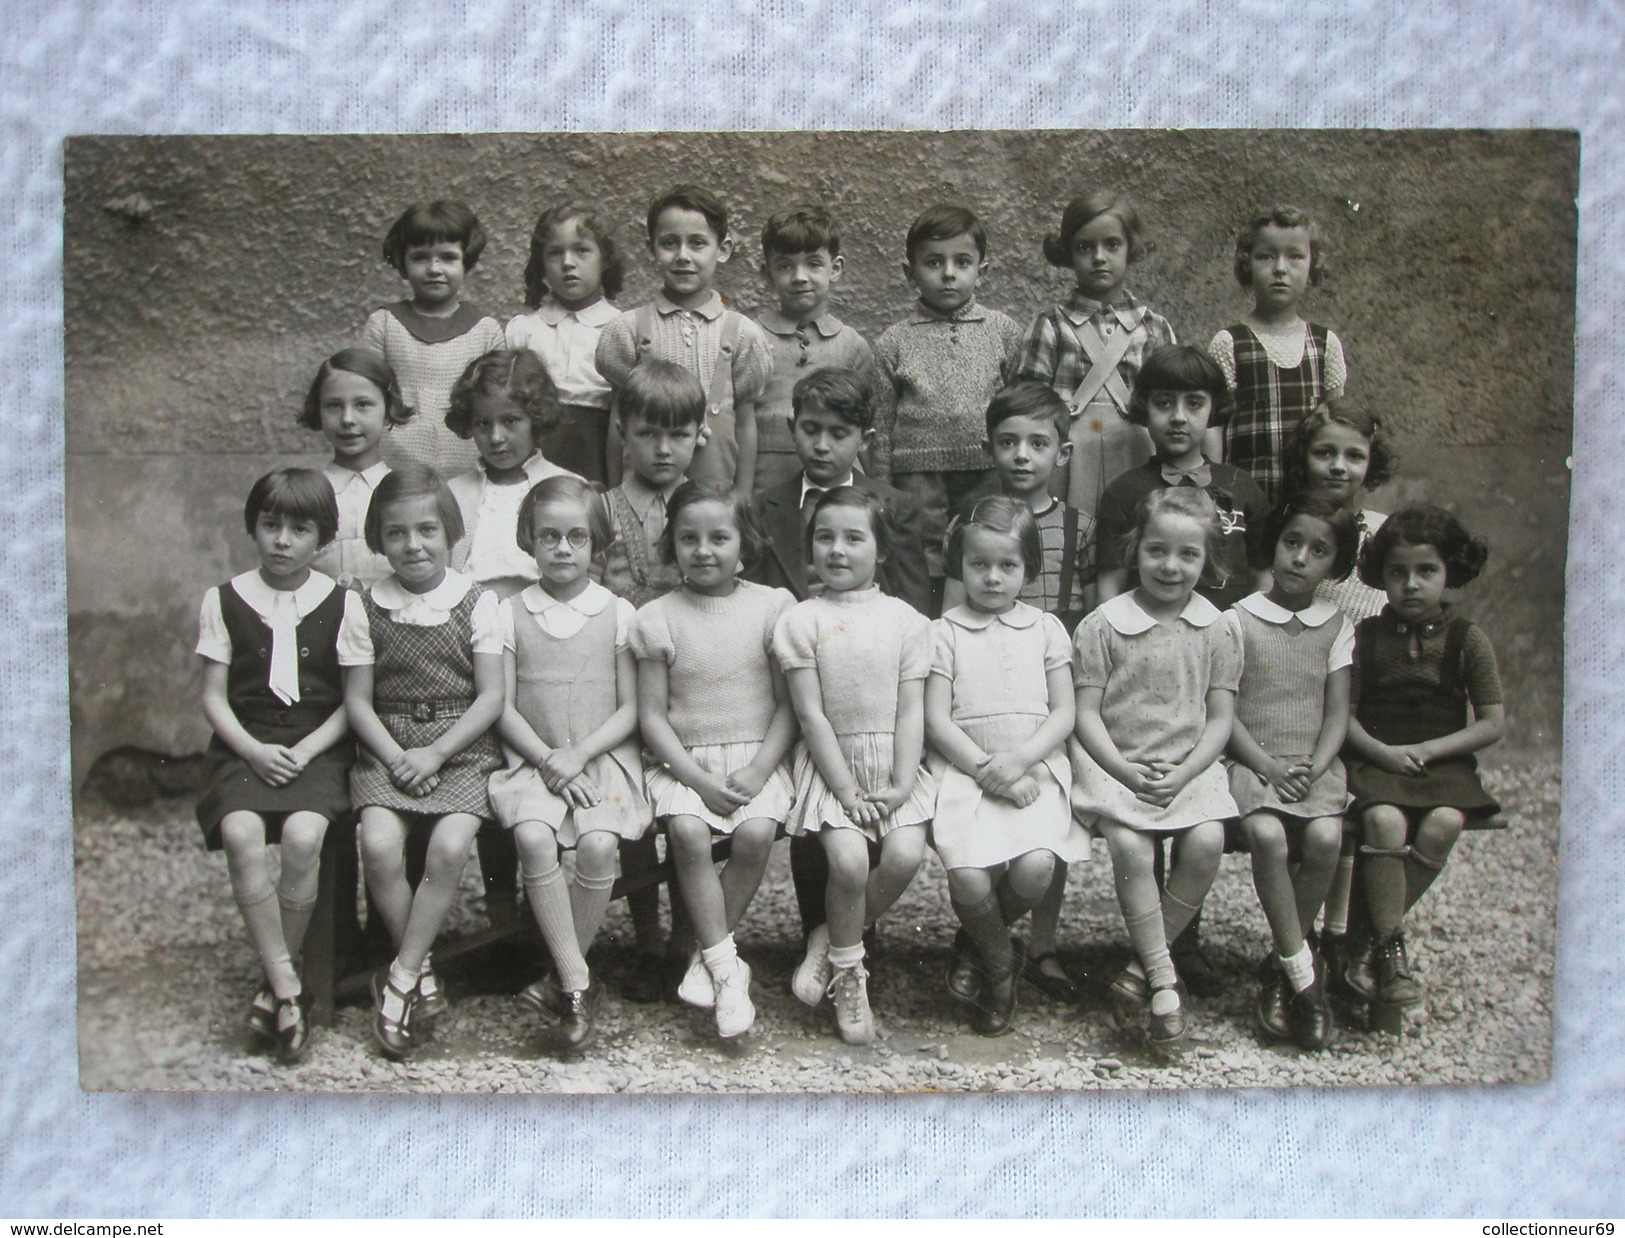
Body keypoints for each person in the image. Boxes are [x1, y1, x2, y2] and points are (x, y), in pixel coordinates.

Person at [338, 465, 505, 1058]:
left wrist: (437, 752)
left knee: (448, 847)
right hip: (390, 745)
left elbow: (491, 697)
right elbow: (357, 702)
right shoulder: (364, 605)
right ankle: (424, 967)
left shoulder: (477, 601)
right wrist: (398, 755)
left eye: (427, 530)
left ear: (451, 533)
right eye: (397, 533)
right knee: (380, 849)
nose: (413, 545)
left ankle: (401, 978)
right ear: (378, 540)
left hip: (461, 750)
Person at [940, 381, 1096, 1005]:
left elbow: (1085, 618)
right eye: (1008, 443)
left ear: (1062, 451)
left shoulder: (1077, 526)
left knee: (1041, 846)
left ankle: (1039, 946)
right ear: (991, 448)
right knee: (986, 845)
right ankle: (996, 949)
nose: (1023, 456)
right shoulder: (969, 524)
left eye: (1038, 443)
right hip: (977, 690)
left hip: (1043, 684)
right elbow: (951, 614)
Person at [1069, 487, 1242, 1044]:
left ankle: (1142, 966)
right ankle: (1163, 979)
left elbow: (1219, 720)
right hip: (1117, 764)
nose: (1171, 566)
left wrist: (1188, 771)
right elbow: (1086, 714)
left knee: (1208, 840)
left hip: (1188, 767)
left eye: (1188, 555)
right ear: (1135, 550)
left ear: (1208, 561)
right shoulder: (1103, 624)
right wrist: (1121, 771)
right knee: (1129, 845)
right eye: (1157, 551)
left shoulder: (1218, 628)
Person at [194, 468, 352, 1062]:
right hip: (248, 743)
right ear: (253, 528)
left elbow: (350, 702)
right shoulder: (225, 599)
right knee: (239, 832)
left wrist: (308, 751)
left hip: (317, 745)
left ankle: (275, 983)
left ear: (323, 539)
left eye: (299, 529)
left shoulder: (341, 603)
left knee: (306, 833)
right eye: (271, 526)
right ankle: (287, 984)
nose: (283, 540)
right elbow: (213, 697)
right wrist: (254, 751)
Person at [630, 483, 798, 1039]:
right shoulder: (657, 617)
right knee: (686, 831)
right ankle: (727, 970)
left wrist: (757, 770)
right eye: (688, 538)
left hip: (755, 755)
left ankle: (708, 959)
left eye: (718, 538)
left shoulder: (772, 607)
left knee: (754, 836)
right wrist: (697, 780)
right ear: (671, 544)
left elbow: (786, 706)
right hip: (686, 761)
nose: (704, 550)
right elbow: (652, 717)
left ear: (744, 541)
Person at [488, 477, 651, 1053]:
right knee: (534, 838)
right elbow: (500, 705)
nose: (562, 548)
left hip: (600, 759)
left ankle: (559, 979)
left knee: (598, 846)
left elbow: (632, 706)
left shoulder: (618, 613)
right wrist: (549, 760)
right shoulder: (508, 612)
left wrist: (579, 755)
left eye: (576, 537)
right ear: (529, 542)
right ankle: (578, 982)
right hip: (534, 759)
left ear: (597, 546)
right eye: (548, 536)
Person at [776, 488, 936, 1046]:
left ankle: (827, 937)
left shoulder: (909, 622)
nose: (837, 550)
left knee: (904, 855)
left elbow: (912, 707)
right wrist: (845, 790)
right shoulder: (801, 621)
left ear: (882, 551)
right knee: (846, 864)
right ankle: (850, 974)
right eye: (825, 537)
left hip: (894, 763)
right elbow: (810, 713)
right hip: (832, 765)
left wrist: (901, 782)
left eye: (853, 538)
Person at [926, 497, 1090, 1036]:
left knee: (1036, 868)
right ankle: (1000, 965)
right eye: (979, 565)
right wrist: (984, 769)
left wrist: (1020, 761)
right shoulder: (944, 632)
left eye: (1008, 566)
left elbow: (1065, 710)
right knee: (969, 877)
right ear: (960, 567)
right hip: (967, 771)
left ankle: (976, 942)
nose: (993, 578)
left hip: (1034, 767)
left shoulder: (1045, 630)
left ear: (1029, 569)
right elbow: (935, 718)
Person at [1342, 504, 1505, 1010]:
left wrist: (1431, 750)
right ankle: (1391, 952)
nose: (1411, 585)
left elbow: (1492, 722)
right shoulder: (1363, 637)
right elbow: (1342, 716)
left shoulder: (1467, 640)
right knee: (1384, 822)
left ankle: (1360, 940)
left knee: (1443, 823)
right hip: (1379, 756)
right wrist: (1384, 754)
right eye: (1398, 572)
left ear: (1450, 572)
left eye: (1426, 571)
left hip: (1442, 762)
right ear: (1380, 577)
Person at [1225, 494, 1359, 1050]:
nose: (1300, 558)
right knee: (1265, 832)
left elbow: (1337, 712)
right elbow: (1224, 711)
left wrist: (1317, 765)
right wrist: (1267, 766)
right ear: (1274, 546)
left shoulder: (1337, 625)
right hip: (1254, 760)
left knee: (1327, 836)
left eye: (1318, 551)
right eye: (1291, 543)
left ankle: (1282, 962)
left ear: (1336, 566)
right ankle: (1304, 980)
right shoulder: (1241, 618)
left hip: (1313, 764)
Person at [872, 203, 1025, 601]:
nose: (949, 274)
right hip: (916, 477)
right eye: (934, 262)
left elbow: (1017, 412)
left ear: (982, 270)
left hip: (985, 470)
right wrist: (883, 490)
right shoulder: (894, 341)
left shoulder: (1003, 331)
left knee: (982, 548)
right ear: (910, 272)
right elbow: (883, 426)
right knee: (921, 558)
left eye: (962, 262)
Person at [595, 185, 775, 493]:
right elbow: (617, 422)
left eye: (697, 243)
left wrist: (743, 499)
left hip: (716, 497)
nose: (682, 256)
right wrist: (615, 496)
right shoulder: (629, 330)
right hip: (642, 495)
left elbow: (745, 425)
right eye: (669, 243)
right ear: (651, 249)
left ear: (723, 249)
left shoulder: (742, 334)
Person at [1015, 191, 1177, 516]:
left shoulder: (1155, 328)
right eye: (1085, 247)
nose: (1099, 257)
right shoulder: (1050, 325)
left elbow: (1172, 402)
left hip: (1138, 456)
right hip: (1069, 460)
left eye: (1112, 245)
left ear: (1131, 248)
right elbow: (1027, 408)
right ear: (1069, 253)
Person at [1095, 345, 1269, 613]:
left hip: (1230, 639)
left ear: (1213, 409)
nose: (1178, 417)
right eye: (1164, 403)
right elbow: (1110, 587)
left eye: (1194, 404)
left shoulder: (1241, 486)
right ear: (1145, 407)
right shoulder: (1124, 491)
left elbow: (1263, 578)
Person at [1209, 205, 1348, 505]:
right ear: (1247, 264)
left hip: (1308, 506)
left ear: (1313, 265)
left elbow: (1339, 430)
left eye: (1295, 256)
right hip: (1246, 503)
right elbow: (1213, 431)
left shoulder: (1325, 345)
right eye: (1266, 256)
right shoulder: (1229, 343)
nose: (1280, 269)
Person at [362, 200, 505, 476]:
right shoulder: (384, 324)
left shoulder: (485, 330)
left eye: (448, 257)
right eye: (420, 257)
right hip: (397, 463)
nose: (434, 268)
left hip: (468, 465)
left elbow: (497, 402)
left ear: (467, 262)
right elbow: (365, 397)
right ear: (402, 264)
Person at [751, 205, 878, 490]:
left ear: (835, 269)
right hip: (767, 479)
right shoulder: (751, 337)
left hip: (836, 482)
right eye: (785, 266)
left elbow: (866, 430)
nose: (799, 277)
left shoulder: (852, 346)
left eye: (813, 264)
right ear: (767, 273)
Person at [505, 205, 626, 483]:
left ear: (605, 259)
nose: (568, 263)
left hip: (598, 453)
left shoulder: (621, 329)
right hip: (538, 453)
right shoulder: (524, 331)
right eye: (555, 253)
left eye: (581, 250)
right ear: (541, 264)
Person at [445, 349, 579, 599]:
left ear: (536, 419)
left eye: (510, 421)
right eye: (483, 424)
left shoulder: (569, 488)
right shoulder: (453, 493)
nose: (496, 437)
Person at [300, 348, 410, 589]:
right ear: (317, 410)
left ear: (388, 408)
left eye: (363, 404)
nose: (347, 419)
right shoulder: (308, 495)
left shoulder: (406, 492)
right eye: (334, 406)